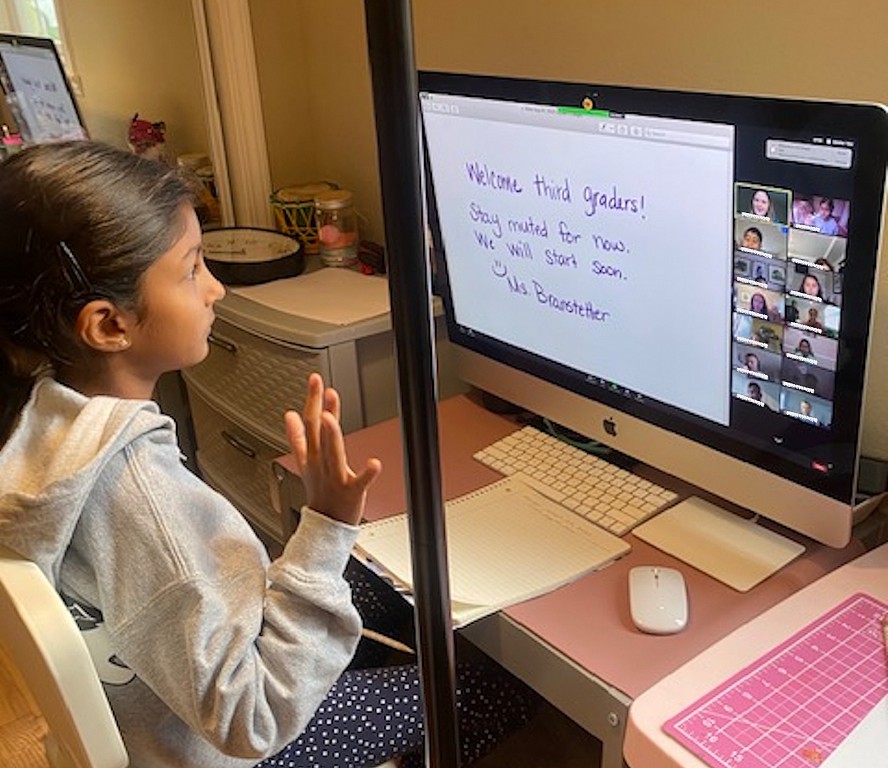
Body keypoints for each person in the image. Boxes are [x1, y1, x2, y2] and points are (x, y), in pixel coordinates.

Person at [0, 141, 535, 768]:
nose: (216, 290)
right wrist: (329, 522)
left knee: (384, 584)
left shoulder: (37, 420)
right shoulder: (140, 495)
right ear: (110, 325)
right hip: (241, 740)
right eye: (193, 268)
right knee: (494, 689)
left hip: (171, 709)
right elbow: (251, 720)